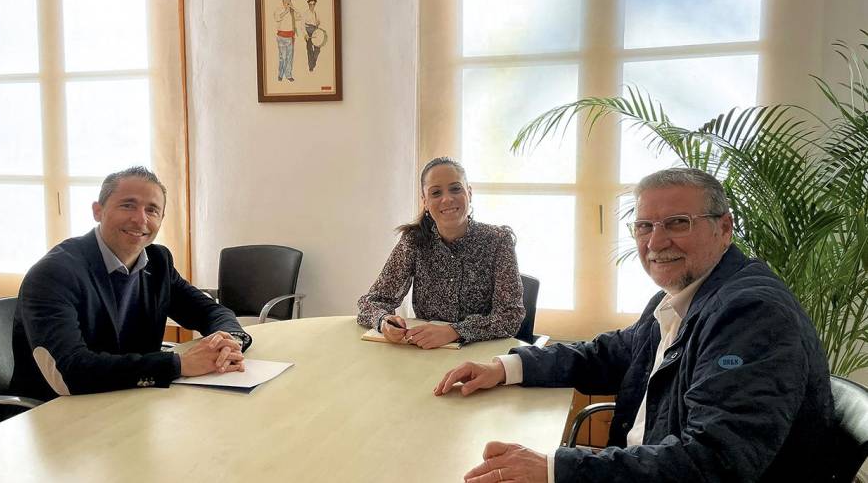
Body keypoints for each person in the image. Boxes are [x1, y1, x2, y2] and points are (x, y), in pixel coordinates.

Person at [434, 168, 833, 482]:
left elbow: (715, 463)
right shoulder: (687, 294)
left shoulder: (750, 314)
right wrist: (505, 367)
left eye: (677, 223)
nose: (656, 242)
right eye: (644, 226)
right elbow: (609, 353)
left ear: (724, 228)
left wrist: (556, 469)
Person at [11, 167, 252, 401]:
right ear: (98, 211)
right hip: (58, 414)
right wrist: (179, 364)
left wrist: (230, 341)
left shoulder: (158, 261)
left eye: (152, 210)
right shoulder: (54, 273)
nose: (140, 219)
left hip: (131, 401)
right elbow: (71, 372)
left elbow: (208, 310)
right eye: (128, 205)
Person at [357, 157, 524, 349]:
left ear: (469, 192)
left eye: (455, 189)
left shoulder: (499, 240)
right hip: (425, 352)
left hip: (481, 353)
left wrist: (456, 331)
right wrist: (383, 321)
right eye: (436, 193)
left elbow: (510, 317)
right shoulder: (413, 241)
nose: (447, 199)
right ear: (425, 202)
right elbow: (371, 302)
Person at [273, 0, 300, 82]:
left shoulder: (292, 10)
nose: (288, 0)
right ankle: (280, 75)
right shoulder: (279, 9)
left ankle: (288, 75)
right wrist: (285, 11)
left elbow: (299, 16)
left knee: (289, 57)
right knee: (283, 57)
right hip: (281, 37)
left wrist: (293, 7)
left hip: (290, 37)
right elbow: (277, 18)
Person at [303, 0, 321, 72]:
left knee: (317, 49)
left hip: (315, 31)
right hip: (308, 32)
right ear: (308, 5)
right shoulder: (305, 13)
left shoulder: (316, 13)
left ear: (315, 5)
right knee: (309, 50)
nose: (312, 6)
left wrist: (318, 23)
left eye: (313, 4)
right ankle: (311, 66)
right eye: (310, 4)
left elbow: (319, 22)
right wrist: (305, 34)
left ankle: (312, 63)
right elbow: (302, 25)